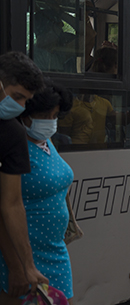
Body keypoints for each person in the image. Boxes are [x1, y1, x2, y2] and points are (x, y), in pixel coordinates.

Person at [0, 81, 74, 304]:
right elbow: (5, 208)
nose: (51, 122)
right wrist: (16, 266)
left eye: (55, 116)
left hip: (56, 251)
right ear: (26, 115)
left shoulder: (46, 142)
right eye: (45, 116)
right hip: (21, 255)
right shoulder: (13, 144)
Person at [0, 52, 48, 301]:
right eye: (16, 96)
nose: (18, 107)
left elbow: (11, 204)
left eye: (24, 101)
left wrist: (26, 266)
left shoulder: (11, 133)